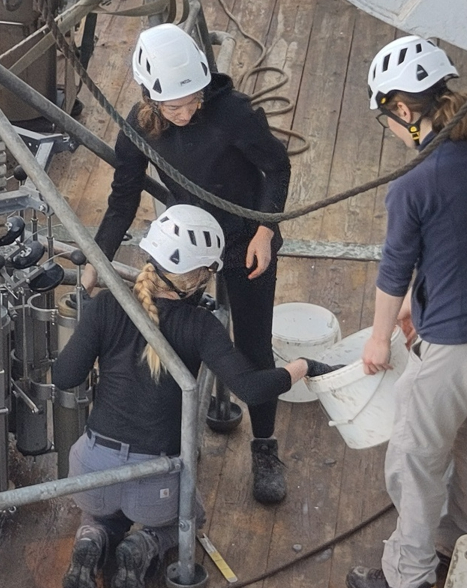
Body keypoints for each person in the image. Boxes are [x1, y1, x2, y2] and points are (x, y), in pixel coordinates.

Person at [56, 205, 333, 588]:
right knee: (193, 518)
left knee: (101, 513)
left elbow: (64, 376)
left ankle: (92, 539)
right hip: (156, 483)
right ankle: (142, 544)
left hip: (91, 472)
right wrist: (302, 366)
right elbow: (251, 388)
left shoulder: (107, 305)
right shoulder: (200, 326)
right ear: (199, 277)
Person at [347, 37, 467, 588]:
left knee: (414, 458)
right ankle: (459, 542)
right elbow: (466, 235)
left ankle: (409, 575)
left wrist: (379, 339)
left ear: (403, 111)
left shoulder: (414, 181)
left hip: (460, 342)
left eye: (386, 118)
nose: (388, 128)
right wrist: (415, 303)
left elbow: (394, 266)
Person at [81, 23, 293, 504]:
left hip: (244, 238)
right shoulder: (138, 128)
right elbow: (122, 199)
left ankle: (264, 446)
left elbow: (276, 167)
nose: (185, 111)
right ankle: (174, 432)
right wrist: (98, 256)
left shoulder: (232, 114)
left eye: (193, 100)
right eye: (173, 105)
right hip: (190, 247)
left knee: (254, 345)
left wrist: (265, 229)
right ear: (150, 98)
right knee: (176, 337)